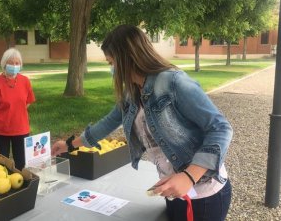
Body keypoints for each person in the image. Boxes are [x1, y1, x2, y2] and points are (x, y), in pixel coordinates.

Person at [51, 25, 233, 221]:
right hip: (173, 190)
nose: (111, 68)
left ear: (126, 59)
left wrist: (189, 176)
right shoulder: (132, 92)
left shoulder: (172, 82)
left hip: (204, 194)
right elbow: (107, 123)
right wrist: (69, 145)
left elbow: (221, 128)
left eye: (111, 62)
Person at [0, 48, 35, 170]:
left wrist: (16, 111)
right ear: (4, 64)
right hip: (1, 131)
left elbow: (28, 102)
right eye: (11, 63)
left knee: (21, 163)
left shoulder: (25, 81)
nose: (14, 66)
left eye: (17, 63)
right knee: (1, 165)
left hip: (21, 129)